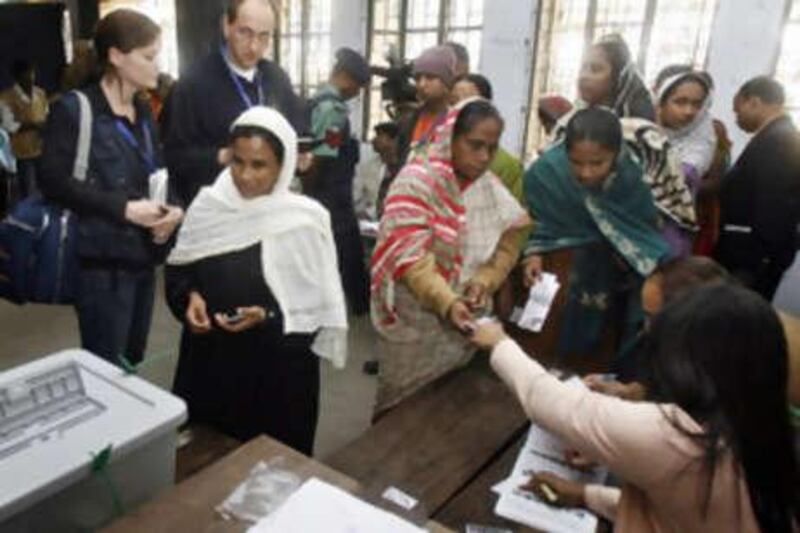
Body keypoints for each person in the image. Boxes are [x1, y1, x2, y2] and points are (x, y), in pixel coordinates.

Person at [471, 284, 800, 532]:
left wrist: (499, 343)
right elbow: (679, 511)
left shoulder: (679, 436)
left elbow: (556, 405)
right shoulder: (759, 428)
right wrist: (587, 496)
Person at [165, 106, 348, 454]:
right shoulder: (209, 208)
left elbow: (318, 308)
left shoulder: (305, 221)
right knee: (205, 470)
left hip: (278, 377)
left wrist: (269, 317)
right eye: (238, 161)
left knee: (272, 473)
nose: (245, 176)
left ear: (284, 166)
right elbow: (179, 270)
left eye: (260, 165)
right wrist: (189, 297)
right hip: (212, 366)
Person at [38, 9, 183, 365]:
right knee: (105, 368)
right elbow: (53, 182)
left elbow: (157, 170)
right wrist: (123, 209)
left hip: (143, 260)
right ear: (117, 56)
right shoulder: (76, 110)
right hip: (100, 267)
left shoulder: (143, 111)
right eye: (149, 57)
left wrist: (172, 209)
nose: (157, 66)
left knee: (132, 360)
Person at [371, 99, 528, 413]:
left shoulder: (487, 187)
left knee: (449, 403)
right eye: (475, 145)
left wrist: (485, 280)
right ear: (450, 138)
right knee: (402, 405)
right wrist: (447, 301)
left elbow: (510, 239)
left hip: (466, 313)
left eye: (492, 148)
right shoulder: (416, 181)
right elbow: (411, 259)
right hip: (416, 320)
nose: (484, 157)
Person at [521, 108, 670, 360]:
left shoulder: (628, 178)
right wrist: (534, 253)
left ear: (615, 154)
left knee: (600, 344)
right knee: (543, 339)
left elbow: (642, 232)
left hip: (610, 272)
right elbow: (537, 221)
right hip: (557, 266)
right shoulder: (546, 173)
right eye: (576, 162)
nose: (586, 173)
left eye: (597, 163)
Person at [164, 0, 306, 206]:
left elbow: (296, 130)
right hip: (218, 211)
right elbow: (174, 157)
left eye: (264, 36)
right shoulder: (194, 82)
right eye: (245, 32)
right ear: (226, 26)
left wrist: (300, 155)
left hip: (269, 207)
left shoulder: (277, 78)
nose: (254, 46)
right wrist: (221, 156)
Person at [716, 76, 800, 301]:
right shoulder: (776, 135)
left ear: (753, 102)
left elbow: (775, 208)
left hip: (752, 259)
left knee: (740, 318)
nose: (737, 119)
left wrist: (756, 262)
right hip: (752, 253)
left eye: (738, 110)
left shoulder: (780, 141)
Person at [303, 48, 371, 315]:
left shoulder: (319, 102)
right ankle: (358, 307)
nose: (358, 92)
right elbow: (322, 155)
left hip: (328, 193)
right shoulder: (332, 111)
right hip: (330, 195)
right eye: (359, 86)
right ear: (345, 77)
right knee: (348, 252)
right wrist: (310, 198)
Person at [654, 65, 732, 256]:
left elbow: (716, 179)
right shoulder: (638, 131)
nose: (689, 111)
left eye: (697, 104)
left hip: (680, 230)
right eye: (680, 102)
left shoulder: (706, 136)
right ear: (661, 100)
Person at [450, 73, 525, 205]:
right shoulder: (427, 158)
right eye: (454, 101)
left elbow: (516, 221)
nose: (460, 108)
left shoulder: (507, 167)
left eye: (469, 102)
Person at [395, 45, 457, 168]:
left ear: (447, 81)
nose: (422, 84)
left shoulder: (458, 122)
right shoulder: (407, 122)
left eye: (430, 77)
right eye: (417, 78)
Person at [576, 33, 655, 121]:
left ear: (618, 77)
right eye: (583, 68)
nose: (583, 76)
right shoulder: (574, 119)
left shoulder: (638, 129)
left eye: (595, 69)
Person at [0, 59, 49, 198]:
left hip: (42, 149)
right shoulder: (6, 98)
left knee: (47, 189)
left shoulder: (40, 94)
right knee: (30, 192)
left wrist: (45, 127)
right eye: (26, 75)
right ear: (17, 77)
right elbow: (9, 126)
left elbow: (46, 115)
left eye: (32, 74)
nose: (31, 78)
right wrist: (33, 125)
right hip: (23, 154)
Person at [371, 121, 400, 219]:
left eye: (380, 135)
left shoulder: (401, 168)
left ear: (393, 140)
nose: (374, 140)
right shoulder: (371, 166)